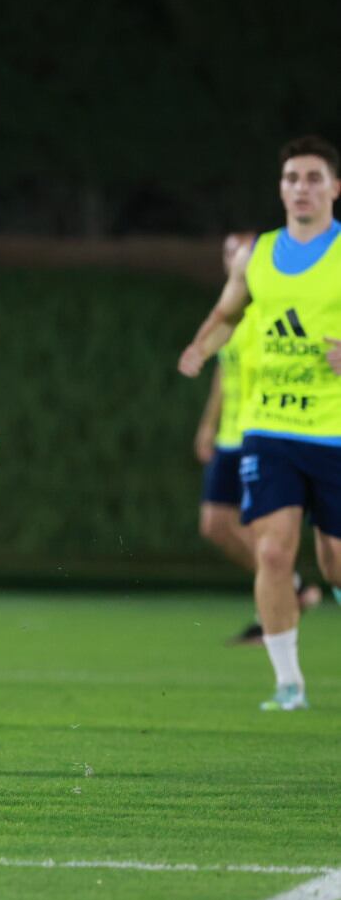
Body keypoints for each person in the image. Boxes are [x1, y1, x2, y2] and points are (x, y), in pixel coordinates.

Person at [179, 135, 341, 711]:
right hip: (269, 430)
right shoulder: (259, 254)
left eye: (314, 177)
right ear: (281, 188)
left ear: (334, 188)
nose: (302, 187)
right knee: (272, 552)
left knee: (333, 559)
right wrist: (202, 346)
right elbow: (228, 310)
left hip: (334, 432)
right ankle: (289, 684)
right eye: (292, 177)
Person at [193, 233, 319, 645]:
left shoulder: (267, 310)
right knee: (214, 524)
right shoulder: (231, 315)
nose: (233, 258)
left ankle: (276, 613)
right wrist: (208, 424)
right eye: (227, 252)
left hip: (260, 432)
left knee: (269, 537)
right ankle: (293, 587)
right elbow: (223, 374)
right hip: (231, 435)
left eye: (239, 252)